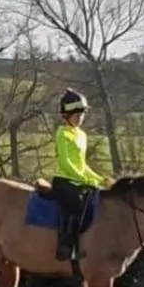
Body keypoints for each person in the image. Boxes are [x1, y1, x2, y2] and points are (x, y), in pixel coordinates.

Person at [51, 89, 109, 263]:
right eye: (76, 114)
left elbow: (83, 165)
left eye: (81, 114)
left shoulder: (82, 135)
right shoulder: (63, 134)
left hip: (78, 181)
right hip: (64, 181)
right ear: (66, 115)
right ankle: (66, 246)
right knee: (76, 205)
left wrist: (100, 179)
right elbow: (66, 164)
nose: (79, 118)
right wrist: (86, 180)